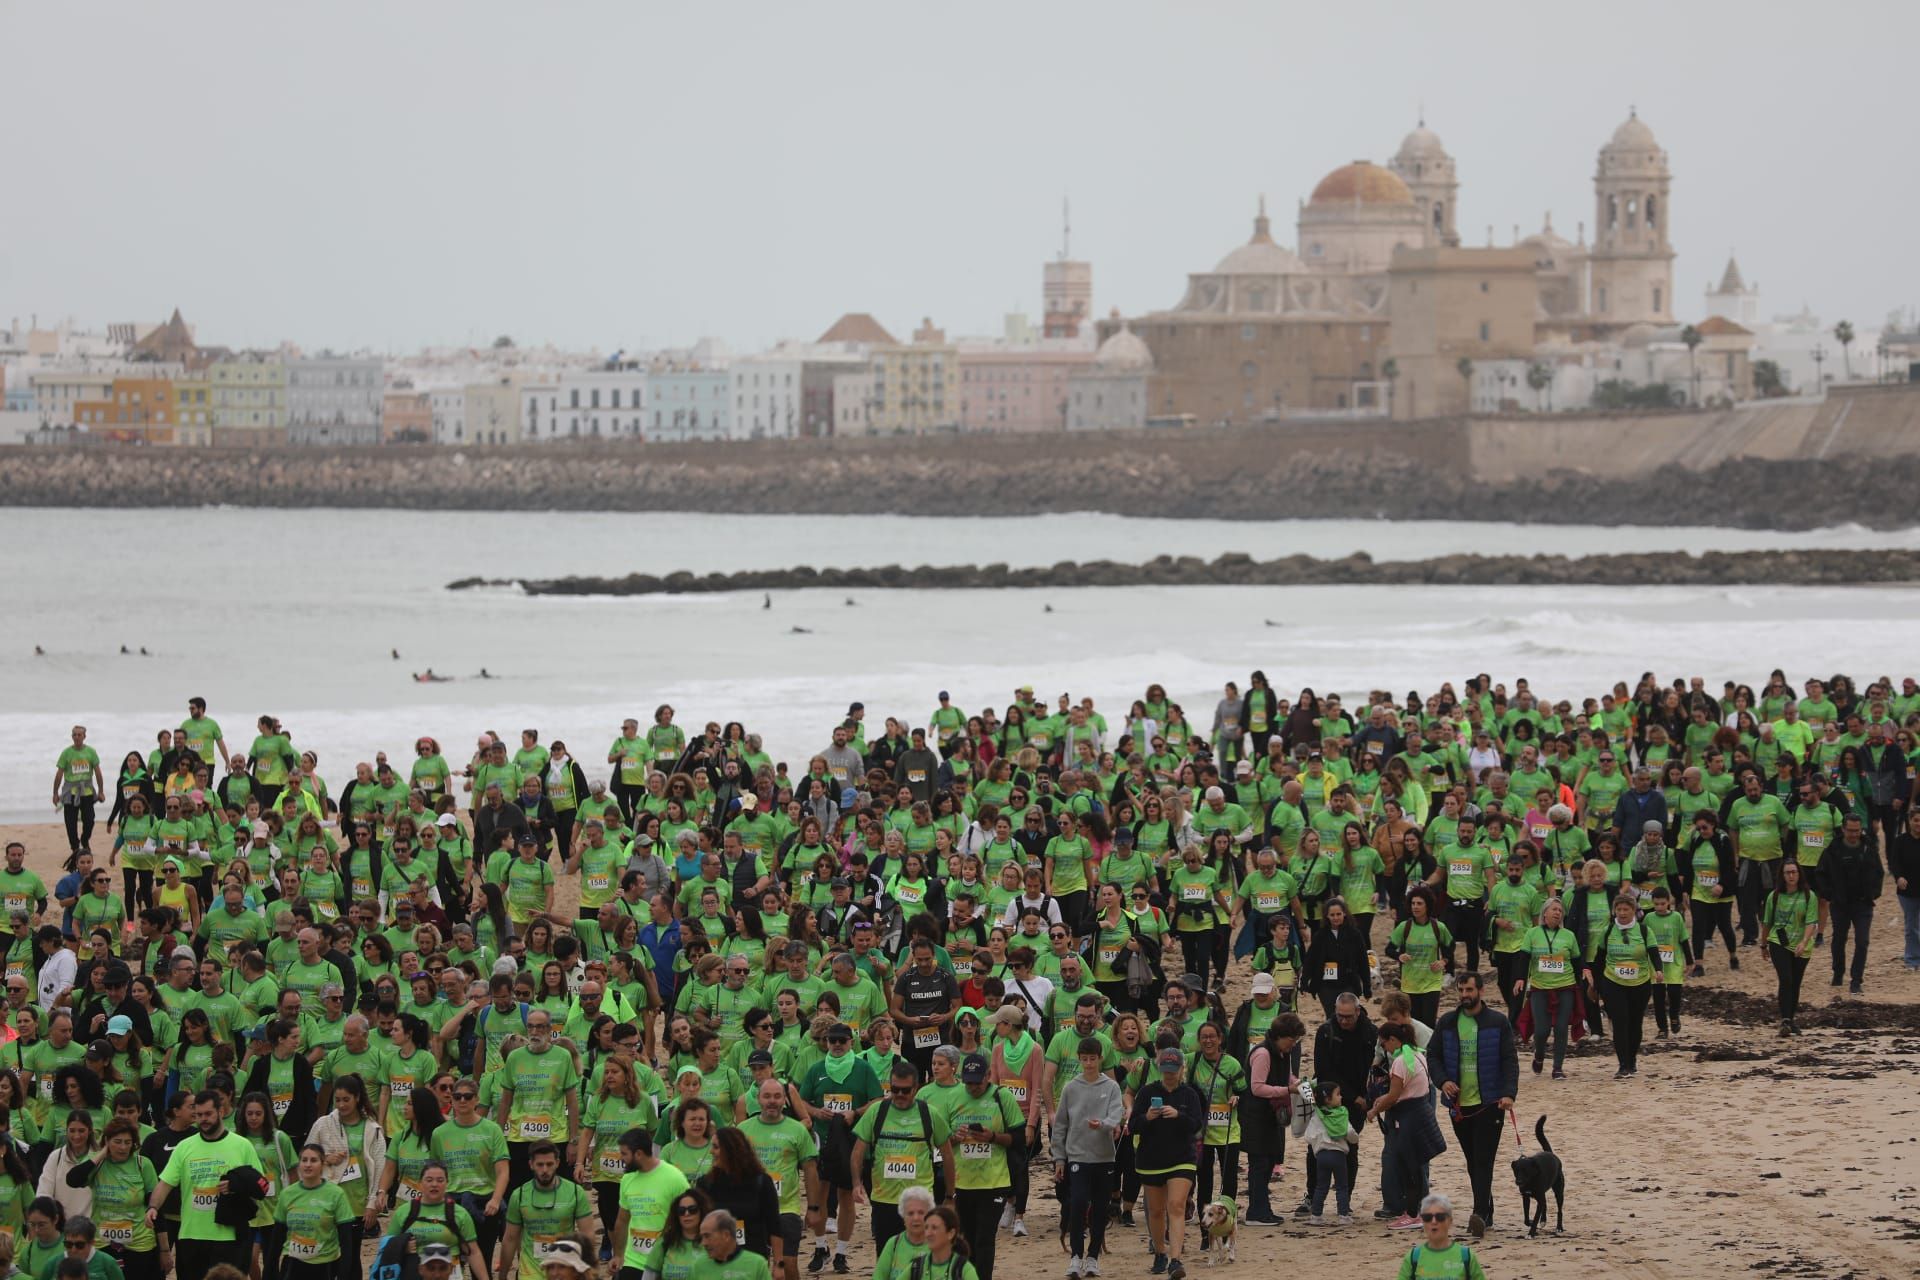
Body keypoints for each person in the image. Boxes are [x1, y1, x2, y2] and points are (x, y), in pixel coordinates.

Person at [1427, 973, 1516, 1238]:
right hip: (1459, 1107)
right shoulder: (1448, 1022)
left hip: (1490, 1103)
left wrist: (1509, 1093)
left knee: (1483, 1159)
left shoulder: (1498, 1022)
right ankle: (1486, 1207)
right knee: (1472, 1159)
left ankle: (1479, 1213)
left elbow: (1510, 1060)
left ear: (1480, 991)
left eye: (1469, 989)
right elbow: (1433, 1055)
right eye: (1461, 989)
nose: (1464, 994)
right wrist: (1442, 1081)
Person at [142, 1090, 262, 1278]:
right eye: (199, 1115)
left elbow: (260, 1186)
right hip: (191, 1235)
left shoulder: (242, 1145)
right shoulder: (185, 1146)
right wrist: (153, 1207)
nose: (203, 1119)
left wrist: (236, 1185)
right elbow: (165, 1183)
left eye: (208, 1114)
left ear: (221, 1112)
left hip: (229, 1236)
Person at [849, 1063, 953, 1250]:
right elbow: (858, 1151)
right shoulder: (876, 1111)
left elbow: (947, 1155)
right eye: (894, 1089)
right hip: (884, 1199)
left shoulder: (929, 1114)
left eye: (905, 1090)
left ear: (915, 1089)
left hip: (920, 1200)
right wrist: (856, 1183)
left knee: (920, 1257)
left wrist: (950, 1195)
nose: (899, 1095)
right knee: (887, 1256)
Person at [1050, 1037, 1122, 1276]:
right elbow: (1060, 1125)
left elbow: (1116, 1115)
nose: (1089, 1064)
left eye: (1093, 1059)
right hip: (1078, 1156)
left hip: (1104, 1157)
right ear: (1079, 1060)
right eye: (1085, 1059)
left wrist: (1103, 1125)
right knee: (1078, 1203)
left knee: (1100, 1208)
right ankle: (1075, 1256)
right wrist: (1060, 1158)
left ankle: (1093, 1257)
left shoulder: (1111, 1087)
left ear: (1100, 1058)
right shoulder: (1071, 1087)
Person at [1128, 1047, 1202, 1280]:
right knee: (1156, 1211)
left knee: (1176, 1206)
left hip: (1182, 1158)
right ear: (1160, 1069)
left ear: (1182, 1069)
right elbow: (1133, 1126)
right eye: (1165, 1070)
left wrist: (1179, 1116)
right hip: (1151, 1159)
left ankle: (1175, 1259)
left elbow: (1197, 1126)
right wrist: (1148, 1117)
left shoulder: (1189, 1094)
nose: (1169, 1074)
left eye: (1174, 1070)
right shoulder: (1147, 1092)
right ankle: (1160, 1252)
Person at [944, 1056, 1017, 1280]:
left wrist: (992, 1136)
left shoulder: (1002, 1096)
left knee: (985, 1238)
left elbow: (1018, 1138)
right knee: (965, 1238)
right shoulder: (952, 1097)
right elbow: (940, 1141)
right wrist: (954, 1138)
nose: (973, 1087)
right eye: (968, 1082)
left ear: (988, 1076)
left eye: (978, 1082)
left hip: (994, 1180)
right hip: (962, 1181)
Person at [1238, 1010, 1304, 1226]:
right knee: (1259, 1164)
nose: (1293, 1045)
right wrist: (1288, 1090)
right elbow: (1257, 1088)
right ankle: (1256, 1212)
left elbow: (1289, 1078)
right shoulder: (1263, 1054)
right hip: (1256, 1117)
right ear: (1280, 1035)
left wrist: (1305, 1089)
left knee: (1267, 1164)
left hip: (1271, 1118)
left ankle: (1263, 1208)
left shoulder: (1282, 1054)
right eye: (1292, 1040)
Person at [498, 1143, 595, 1280]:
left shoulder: (574, 1192)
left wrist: (589, 1271)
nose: (545, 1170)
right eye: (540, 1164)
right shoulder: (518, 1195)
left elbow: (588, 1234)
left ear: (557, 1163)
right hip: (529, 1273)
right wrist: (502, 1275)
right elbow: (510, 1238)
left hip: (564, 1273)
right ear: (531, 1164)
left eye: (549, 1164)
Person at [1818, 813, 1883, 996]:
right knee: (1839, 939)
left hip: (1863, 903)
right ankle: (1838, 972)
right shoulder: (1833, 849)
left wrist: (1874, 893)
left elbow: (1879, 872)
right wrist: (1829, 894)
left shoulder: (1869, 847)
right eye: (1850, 831)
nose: (1854, 834)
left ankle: (1856, 980)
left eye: (1857, 831)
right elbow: (1821, 873)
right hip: (1840, 904)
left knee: (1862, 941)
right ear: (1843, 829)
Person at [274, 1144, 357, 1280]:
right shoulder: (287, 1194)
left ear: (323, 1164)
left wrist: (343, 1274)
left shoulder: (336, 1194)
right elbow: (277, 1236)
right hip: (292, 1264)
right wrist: (271, 1271)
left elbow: (346, 1241)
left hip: (325, 1266)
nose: (308, 1165)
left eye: (313, 1160)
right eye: (304, 1160)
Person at [1763, 860, 1820, 1037]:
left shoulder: (1809, 896)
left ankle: (1791, 1019)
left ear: (1799, 873)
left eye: (1794, 872)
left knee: (1795, 983)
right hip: (1778, 942)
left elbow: (1811, 921)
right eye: (1787, 872)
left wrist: (1804, 942)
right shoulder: (1774, 896)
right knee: (1786, 978)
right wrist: (1763, 944)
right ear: (1782, 875)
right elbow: (1767, 922)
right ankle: (1785, 1020)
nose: (1791, 876)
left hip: (1802, 945)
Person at [1293, 1076, 1358, 1225]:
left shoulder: (1317, 1116)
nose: (1341, 1097)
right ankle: (1343, 1215)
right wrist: (1355, 1140)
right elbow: (1350, 1134)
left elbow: (1309, 1136)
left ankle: (1316, 1215)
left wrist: (1317, 1145)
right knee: (1342, 1186)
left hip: (1321, 1156)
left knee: (1321, 1186)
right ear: (1328, 1099)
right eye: (1338, 1094)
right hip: (1338, 1156)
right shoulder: (1341, 1115)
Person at [1393, 1194, 1487, 1280]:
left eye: (1440, 1217)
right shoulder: (1413, 1257)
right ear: (1423, 1222)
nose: (1434, 1222)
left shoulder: (1466, 1256)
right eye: (1427, 1217)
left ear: (1450, 1221)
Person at [868, 1187, 932, 1280]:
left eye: (921, 1213)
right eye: (910, 1213)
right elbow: (879, 1277)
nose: (915, 1218)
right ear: (903, 1217)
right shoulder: (893, 1244)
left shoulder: (938, 1246)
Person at [695, 1210, 772, 1280]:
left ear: (726, 1235)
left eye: (707, 1236)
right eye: (702, 1237)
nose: (703, 1243)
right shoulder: (699, 1265)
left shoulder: (757, 1264)